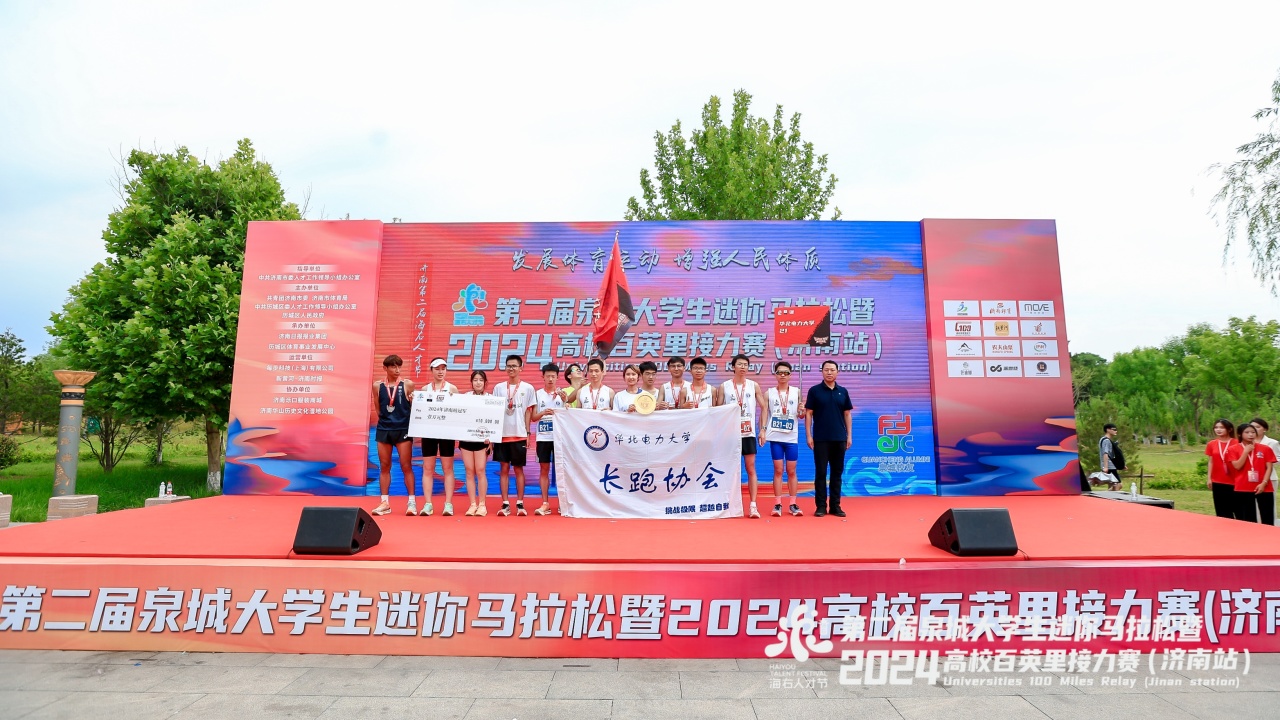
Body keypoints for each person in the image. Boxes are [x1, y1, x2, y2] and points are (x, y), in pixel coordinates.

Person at [805, 359, 853, 518]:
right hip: (820, 439)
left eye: (832, 370)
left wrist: (849, 435)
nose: (829, 372)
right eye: (826, 370)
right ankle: (820, 506)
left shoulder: (843, 391)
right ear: (822, 372)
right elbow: (809, 413)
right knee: (820, 473)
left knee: (836, 474)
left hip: (839, 438)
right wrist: (809, 435)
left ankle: (835, 506)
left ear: (837, 372)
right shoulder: (814, 391)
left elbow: (847, 414)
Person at [721, 354, 766, 519]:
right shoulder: (725, 386)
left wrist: (763, 429)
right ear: (733, 367)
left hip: (748, 433)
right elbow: (718, 410)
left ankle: (753, 505)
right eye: (739, 364)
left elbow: (764, 407)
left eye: (745, 364)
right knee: (729, 470)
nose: (743, 367)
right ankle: (727, 504)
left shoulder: (753, 385)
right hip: (730, 435)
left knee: (750, 468)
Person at [371, 355, 415, 516]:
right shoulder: (377, 386)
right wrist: (388, 420)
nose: (397, 370)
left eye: (399, 367)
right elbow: (378, 409)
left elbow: (413, 408)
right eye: (393, 367)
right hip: (384, 429)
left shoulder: (408, 384)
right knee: (384, 466)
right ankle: (385, 503)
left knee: (406, 465)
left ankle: (411, 502)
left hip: (403, 429)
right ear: (385, 368)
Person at [493, 354, 536, 517]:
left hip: (519, 434)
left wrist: (527, 433)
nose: (511, 368)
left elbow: (528, 412)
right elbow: (494, 412)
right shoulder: (498, 388)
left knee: (518, 469)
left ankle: (520, 504)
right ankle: (505, 504)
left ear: (520, 368)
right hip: (502, 435)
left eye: (514, 366)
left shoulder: (528, 388)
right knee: (503, 468)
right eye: (508, 366)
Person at [761, 361, 803, 517]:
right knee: (778, 470)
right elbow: (764, 413)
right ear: (775, 374)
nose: (783, 375)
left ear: (790, 375)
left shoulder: (797, 392)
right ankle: (777, 504)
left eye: (786, 373)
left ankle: (792, 504)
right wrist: (763, 430)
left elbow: (801, 415)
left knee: (791, 471)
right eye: (780, 372)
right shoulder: (769, 393)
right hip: (776, 438)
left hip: (791, 438)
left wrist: (802, 411)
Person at [418, 357, 459, 517]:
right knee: (428, 468)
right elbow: (419, 412)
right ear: (432, 371)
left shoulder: (452, 389)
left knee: (447, 468)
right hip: (429, 433)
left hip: (447, 434)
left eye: (443, 368)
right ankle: (428, 504)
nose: (441, 372)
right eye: (437, 369)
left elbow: (459, 412)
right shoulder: (424, 389)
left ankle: (448, 504)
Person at [532, 362, 566, 516]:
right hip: (543, 437)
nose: (550, 379)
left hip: (559, 438)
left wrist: (566, 402)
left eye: (553, 376)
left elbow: (570, 415)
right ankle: (545, 503)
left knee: (560, 470)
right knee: (544, 469)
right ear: (543, 377)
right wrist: (543, 413)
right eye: (548, 376)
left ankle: (562, 503)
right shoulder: (537, 394)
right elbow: (533, 417)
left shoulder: (562, 395)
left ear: (557, 377)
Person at [459, 370, 492, 516]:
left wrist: (491, 439)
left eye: (481, 380)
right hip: (466, 439)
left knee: (480, 470)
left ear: (485, 383)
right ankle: (472, 504)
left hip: (482, 440)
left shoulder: (491, 399)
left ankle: (482, 505)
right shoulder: (465, 398)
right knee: (469, 471)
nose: (478, 383)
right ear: (471, 382)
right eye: (475, 380)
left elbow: (494, 421)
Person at [1231, 421, 1276, 524]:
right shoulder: (1233, 449)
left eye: (1253, 432)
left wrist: (1264, 483)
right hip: (1243, 487)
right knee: (1248, 519)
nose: (1251, 435)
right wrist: (1245, 452)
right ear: (1239, 434)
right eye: (1247, 432)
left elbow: (1269, 467)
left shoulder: (1265, 449)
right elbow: (1237, 466)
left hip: (1264, 487)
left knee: (1267, 517)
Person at [1205, 419, 1240, 519]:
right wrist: (1209, 478)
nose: (1218, 430)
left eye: (1221, 427)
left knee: (1237, 508)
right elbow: (1211, 461)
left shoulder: (1237, 442)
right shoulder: (1212, 444)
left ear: (1229, 429)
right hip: (1218, 480)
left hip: (1235, 480)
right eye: (1216, 427)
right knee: (1221, 509)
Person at [1251, 418, 1280, 525]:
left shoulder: (1272, 443)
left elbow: (1278, 458)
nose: (1255, 429)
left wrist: (1264, 461)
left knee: (1268, 505)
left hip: (1269, 478)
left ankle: (1269, 526)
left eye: (1258, 427)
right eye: (1253, 427)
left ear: (1265, 429)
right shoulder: (1247, 442)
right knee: (1252, 505)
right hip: (1251, 478)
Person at [1098, 423, 1123, 491]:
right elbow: (1105, 453)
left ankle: (1109, 495)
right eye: (1114, 429)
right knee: (1118, 484)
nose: (1116, 431)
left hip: (1110, 465)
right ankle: (1109, 495)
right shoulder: (1106, 440)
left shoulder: (1103, 439)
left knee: (1112, 484)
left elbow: (1112, 455)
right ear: (1108, 430)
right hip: (1110, 466)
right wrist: (1106, 467)